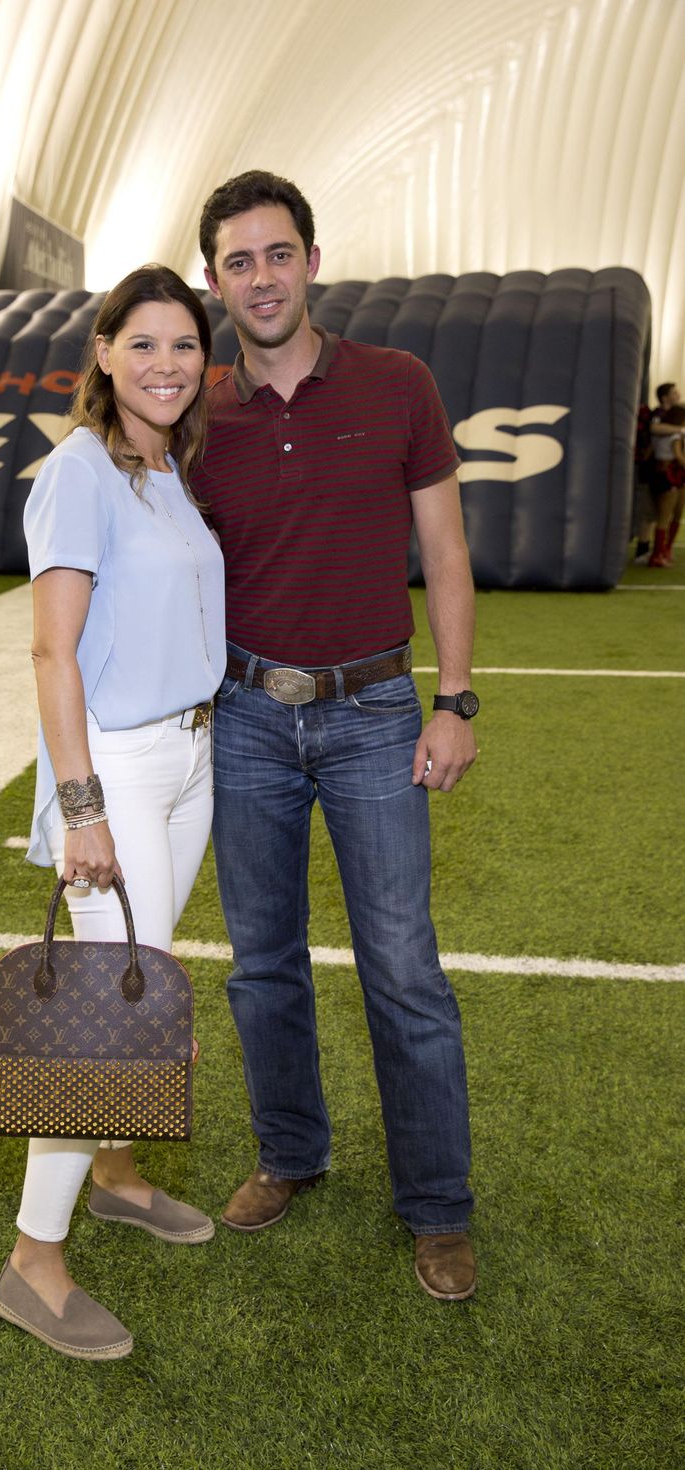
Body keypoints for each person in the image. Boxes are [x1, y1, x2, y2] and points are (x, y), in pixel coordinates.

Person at [191, 171, 478, 1302]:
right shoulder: (194, 412)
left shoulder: (398, 383)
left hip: (374, 717)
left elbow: (444, 553)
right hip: (245, 718)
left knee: (402, 969)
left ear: (312, 261)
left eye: (278, 254)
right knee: (261, 965)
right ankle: (289, 1153)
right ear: (215, 280)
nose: (260, 278)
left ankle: (437, 1207)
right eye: (238, 262)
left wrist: (454, 700)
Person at [0, 265, 226, 1360]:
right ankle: (32, 1262)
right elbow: (52, 652)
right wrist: (80, 810)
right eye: (143, 344)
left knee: (140, 989)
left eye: (183, 345)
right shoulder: (78, 471)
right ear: (101, 351)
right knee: (113, 1019)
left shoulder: (164, 466)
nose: (165, 365)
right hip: (118, 771)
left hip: (188, 758)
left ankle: (116, 1174)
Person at [648, 400, 685, 566]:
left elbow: (648, 453)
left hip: (660, 474)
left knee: (666, 515)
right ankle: (658, 554)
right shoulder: (676, 435)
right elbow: (678, 455)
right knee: (666, 516)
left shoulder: (658, 434)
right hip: (671, 475)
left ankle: (662, 551)